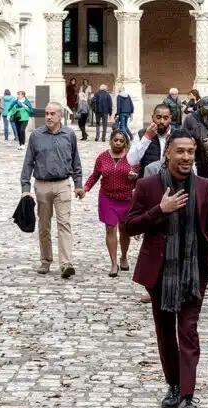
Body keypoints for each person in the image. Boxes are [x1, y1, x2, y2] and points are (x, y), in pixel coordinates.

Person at [125, 130, 208, 408]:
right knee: (165, 332)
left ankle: (188, 398)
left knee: (187, 331)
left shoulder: (203, 187)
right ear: (168, 154)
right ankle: (174, 385)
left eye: (191, 151)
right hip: (159, 272)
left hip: (192, 274)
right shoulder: (148, 185)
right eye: (181, 151)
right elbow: (129, 226)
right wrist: (159, 211)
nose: (187, 157)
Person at [20, 102, 83, 278]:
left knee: (64, 223)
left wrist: (78, 184)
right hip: (42, 185)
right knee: (44, 225)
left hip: (63, 184)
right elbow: (28, 162)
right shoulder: (36, 136)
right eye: (46, 113)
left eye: (52, 114)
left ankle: (65, 263)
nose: (48, 117)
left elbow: (75, 161)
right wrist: (25, 187)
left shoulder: (69, 135)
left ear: (60, 116)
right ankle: (45, 260)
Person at [82, 130, 137, 276]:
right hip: (107, 197)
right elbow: (95, 175)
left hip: (126, 198)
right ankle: (114, 263)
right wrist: (85, 188)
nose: (118, 143)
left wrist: (135, 177)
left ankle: (124, 256)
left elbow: (140, 177)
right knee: (110, 228)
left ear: (125, 142)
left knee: (125, 229)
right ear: (111, 141)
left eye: (121, 140)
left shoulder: (132, 158)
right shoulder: (103, 157)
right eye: (115, 140)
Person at [128, 104, 175, 179]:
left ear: (170, 118)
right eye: (158, 117)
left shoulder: (177, 135)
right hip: (148, 181)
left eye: (165, 118)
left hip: (171, 181)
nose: (162, 121)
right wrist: (147, 137)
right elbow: (131, 161)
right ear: (153, 117)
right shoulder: (142, 134)